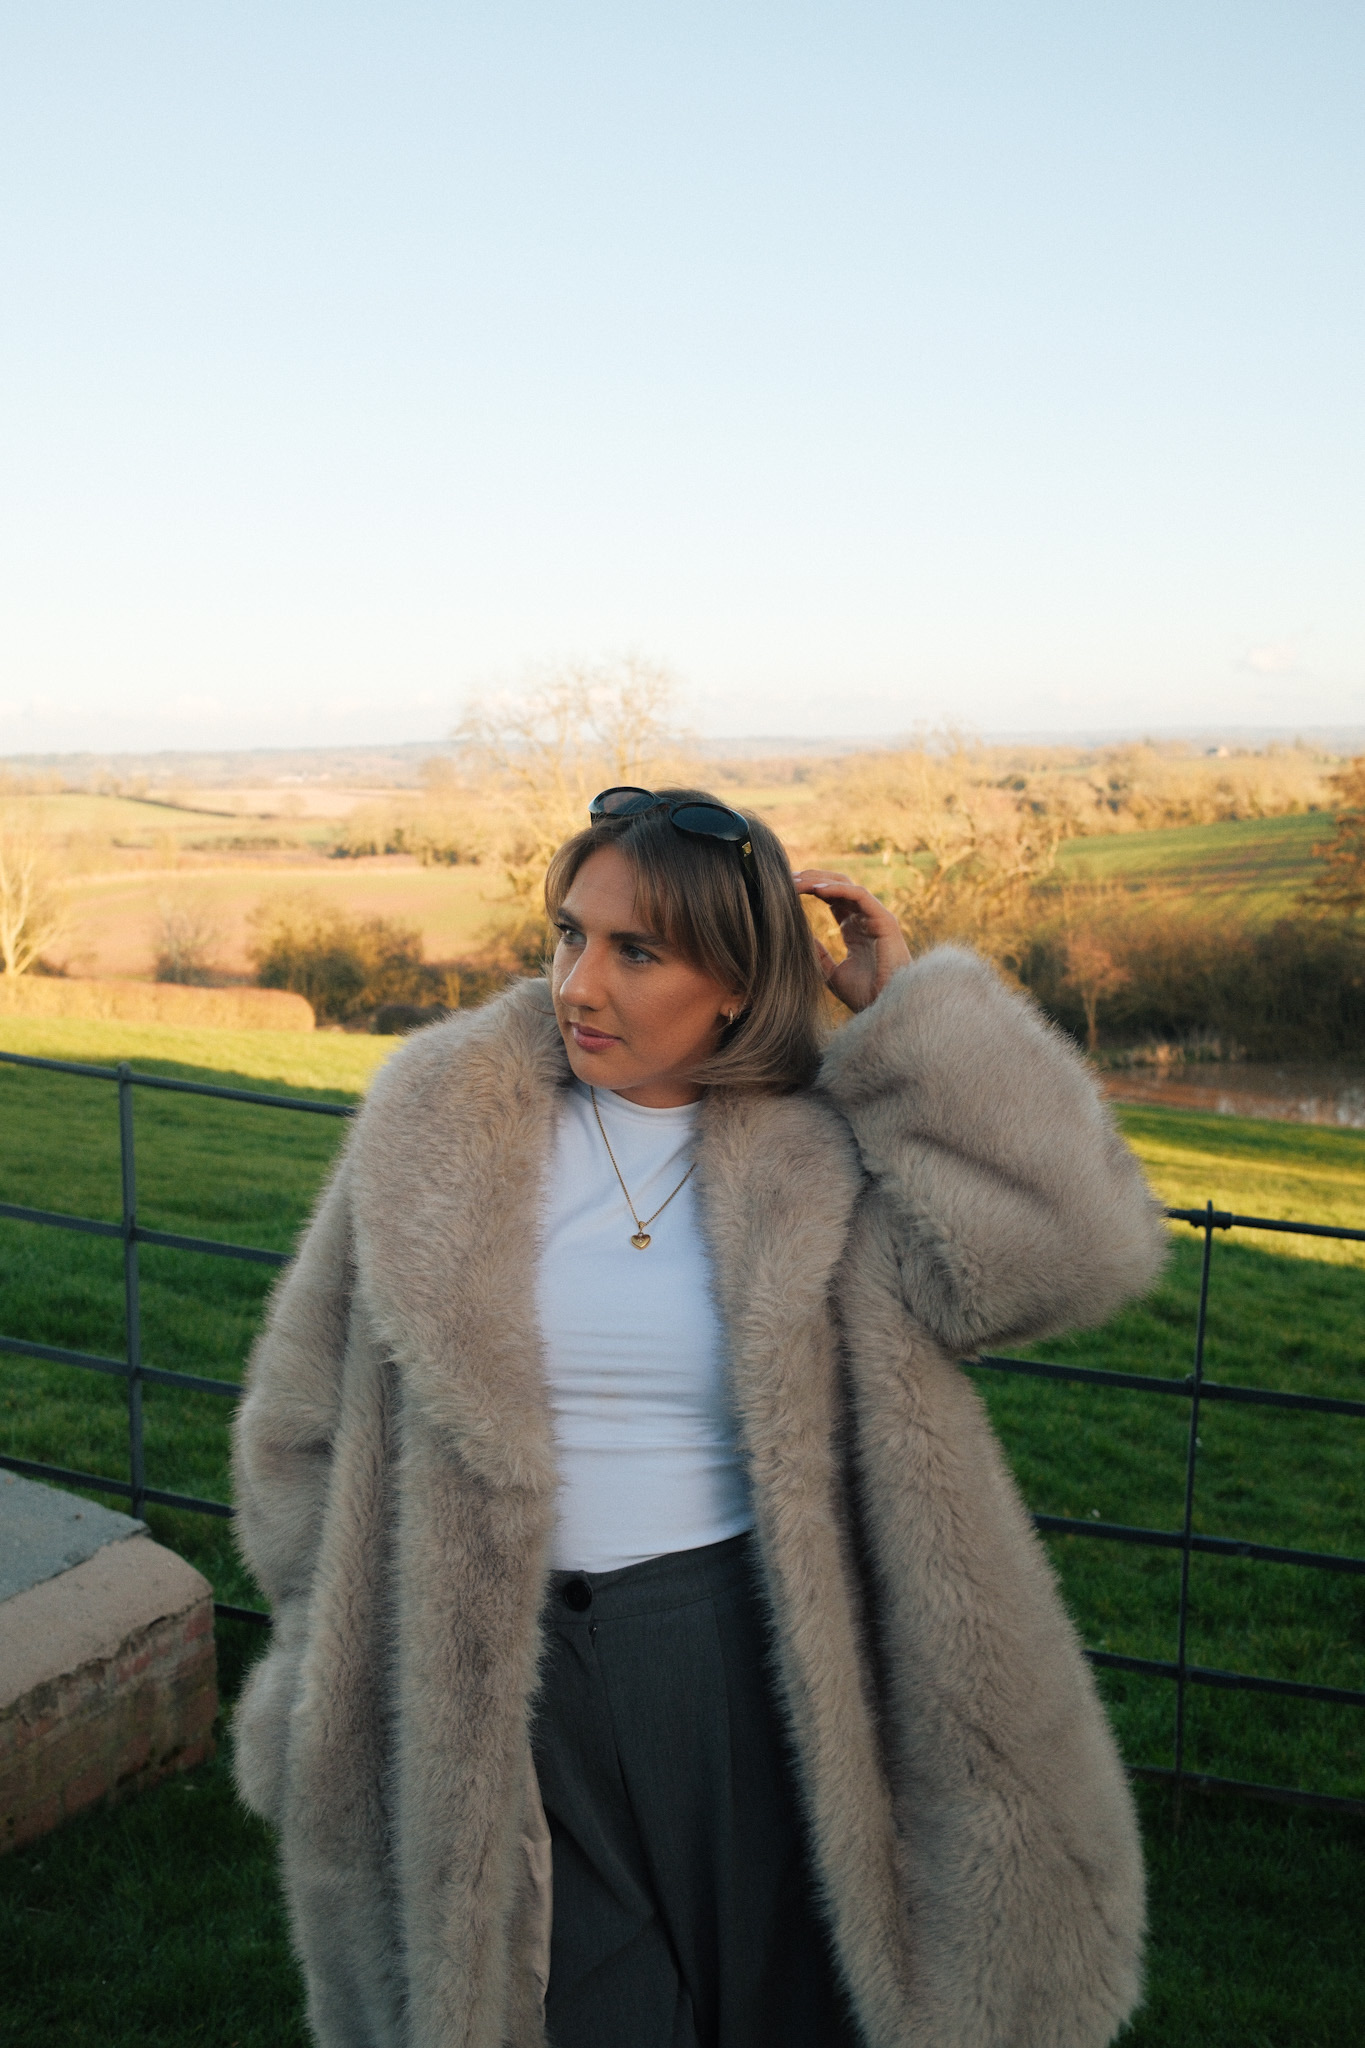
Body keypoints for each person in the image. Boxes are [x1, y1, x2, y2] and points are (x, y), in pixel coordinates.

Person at [232, 786, 1167, 2048]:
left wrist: (904, 1013)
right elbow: (299, 1418)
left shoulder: (825, 1155)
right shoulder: (441, 1125)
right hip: (493, 1671)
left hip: (751, 1656)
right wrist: (329, 1651)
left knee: (784, 2007)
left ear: (732, 983)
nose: (578, 983)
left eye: (637, 951)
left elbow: (1075, 1248)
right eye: (570, 934)